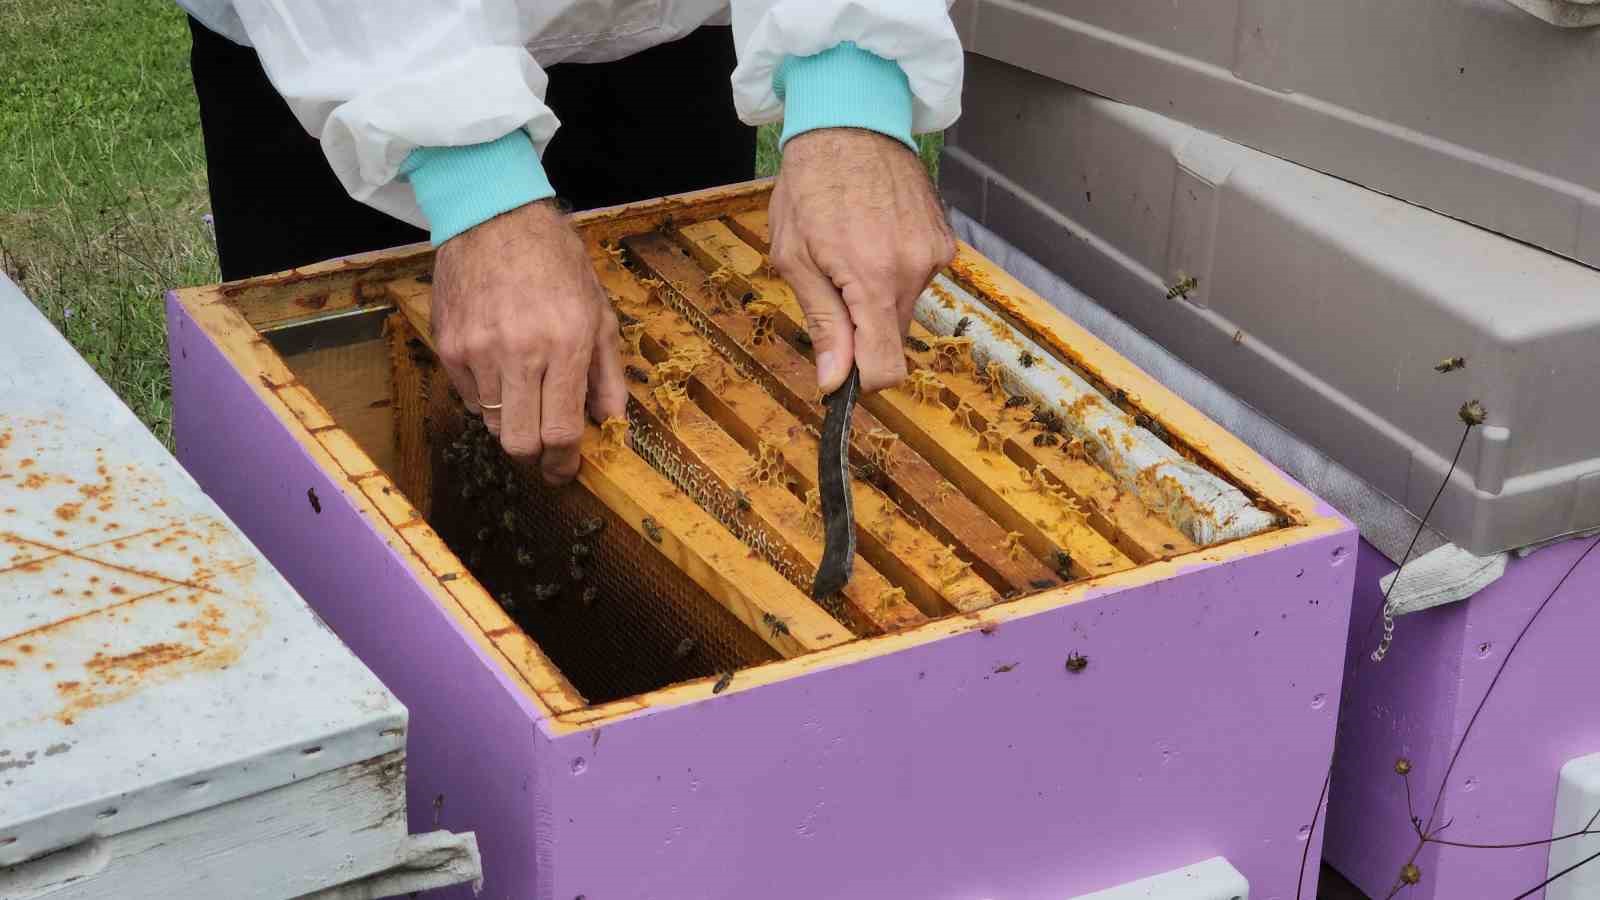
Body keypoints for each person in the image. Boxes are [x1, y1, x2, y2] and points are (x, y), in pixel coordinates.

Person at [182, 1, 961, 485]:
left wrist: (848, 74)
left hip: (673, 37)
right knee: (335, 513)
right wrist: (469, 174)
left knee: (659, 409)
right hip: (352, 62)